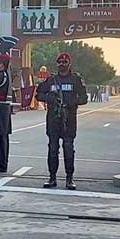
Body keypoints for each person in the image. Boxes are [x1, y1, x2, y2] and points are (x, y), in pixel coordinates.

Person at [36, 52, 88, 190]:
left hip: (69, 119)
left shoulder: (75, 80)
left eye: (64, 62)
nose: (62, 65)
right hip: (53, 119)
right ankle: (52, 178)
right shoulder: (51, 80)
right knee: (53, 149)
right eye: (59, 62)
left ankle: (69, 178)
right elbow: (39, 95)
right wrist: (51, 99)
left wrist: (71, 102)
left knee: (68, 149)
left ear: (69, 64)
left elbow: (84, 98)